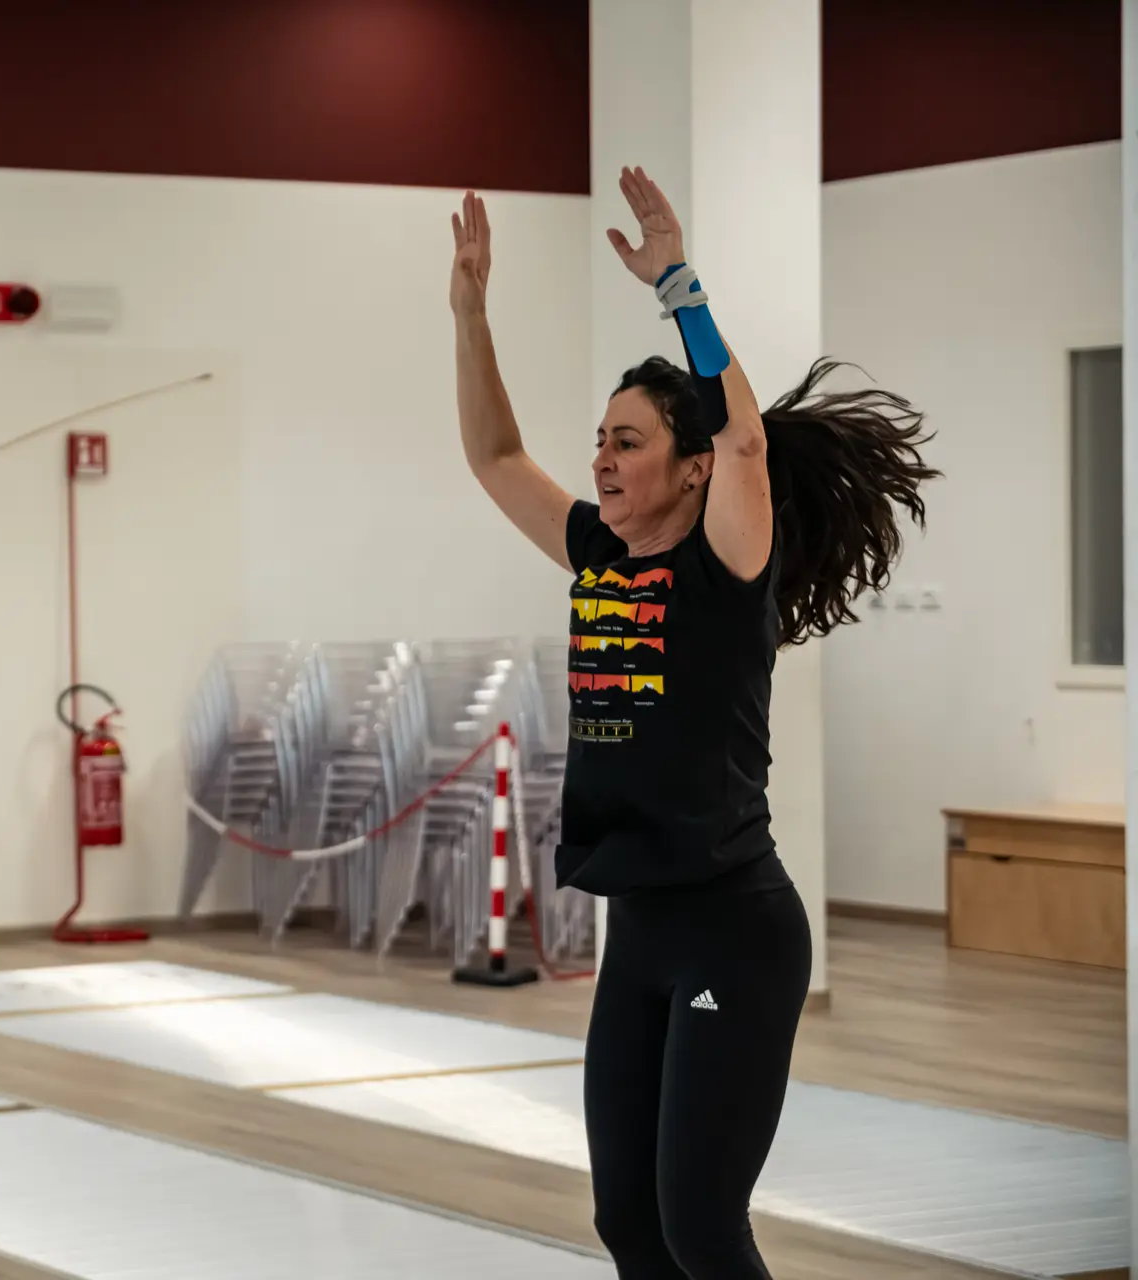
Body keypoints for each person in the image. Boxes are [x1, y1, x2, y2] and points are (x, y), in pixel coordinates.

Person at [448, 169, 936, 1279]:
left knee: (702, 1229)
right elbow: (494, 458)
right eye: (601, 439)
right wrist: (471, 315)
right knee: (629, 1224)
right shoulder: (600, 552)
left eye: (627, 442)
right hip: (639, 932)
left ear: (693, 464)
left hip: (735, 930)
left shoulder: (727, 565)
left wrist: (679, 286)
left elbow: (749, 442)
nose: (601, 460)